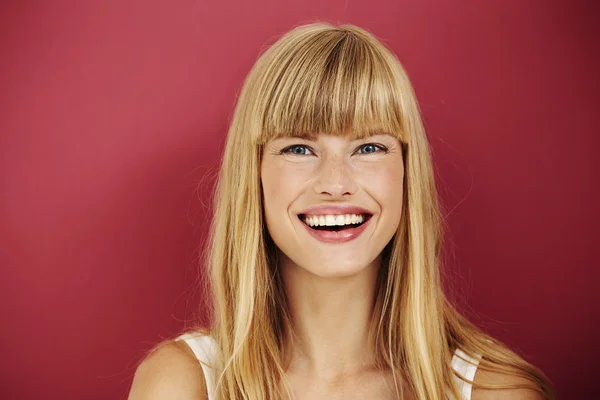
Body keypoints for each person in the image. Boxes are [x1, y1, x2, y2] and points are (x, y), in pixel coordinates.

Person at [128, 22, 554, 400]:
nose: (335, 182)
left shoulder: (497, 393)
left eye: (368, 147)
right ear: (254, 174)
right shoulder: (182, 386)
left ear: (408, 171)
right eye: (299, 148)